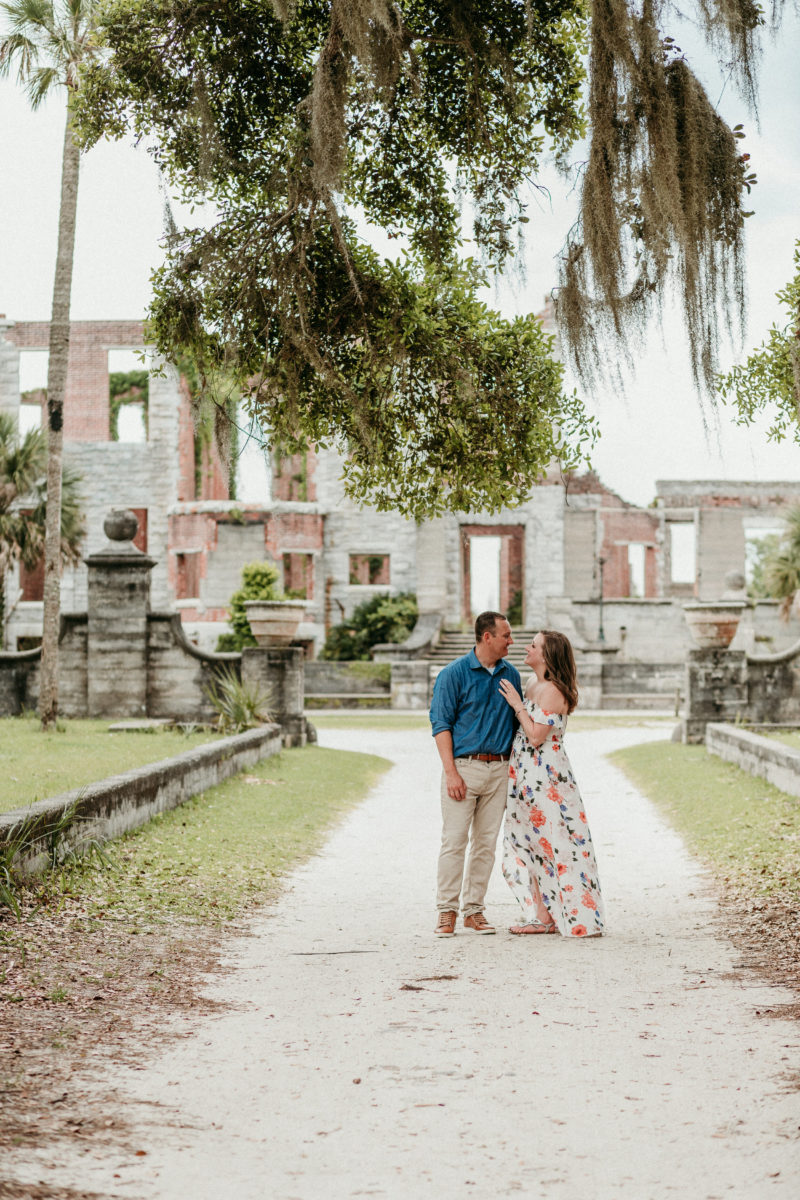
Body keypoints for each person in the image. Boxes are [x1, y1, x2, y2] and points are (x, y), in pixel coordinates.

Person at [498, 630, 605, 937]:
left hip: (547, 777)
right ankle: (542, 915)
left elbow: (535, 736)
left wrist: (518, 705)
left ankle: (575, 914)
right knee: (530, 841)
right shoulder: (533, 683)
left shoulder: (554, 690)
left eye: (533, 645)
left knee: (558, 841)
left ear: (545, 655)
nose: (526, 648)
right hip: (524, 774)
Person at [429, 611, 522, 937]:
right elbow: (440, 725)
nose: (511, 641)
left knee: (485, 845)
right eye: (506, 635)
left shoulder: (511, 675)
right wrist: (451, 773)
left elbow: (516, 725)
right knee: (454, 842)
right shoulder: (452, 674)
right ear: (487, 637)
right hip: (464, 768)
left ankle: (474, 911)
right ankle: (446, 911)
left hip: (499, 770)